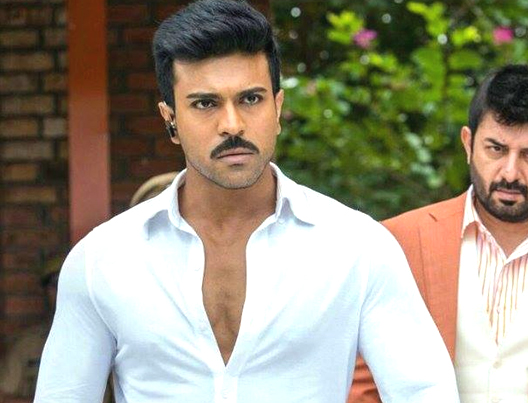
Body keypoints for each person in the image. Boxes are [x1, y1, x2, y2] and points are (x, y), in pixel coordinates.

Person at [34, 1, 457, 402]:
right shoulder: (102, 259)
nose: (232, 124)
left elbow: (424, 392)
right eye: (205, 104)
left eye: (250, 99)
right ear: (171, 120)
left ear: (277, 108)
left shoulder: (357, 246)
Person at [350, 64, 528, 403]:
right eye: (495, 149)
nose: (510, 173)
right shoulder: (397, 241)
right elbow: (362, 390)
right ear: (468, 143)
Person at [0, 257, 61, 403]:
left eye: (66, 283)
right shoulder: (28, 345)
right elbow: (3, 396)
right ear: (45, 292)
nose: (60, 291)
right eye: (54, 284)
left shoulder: (101, 343)